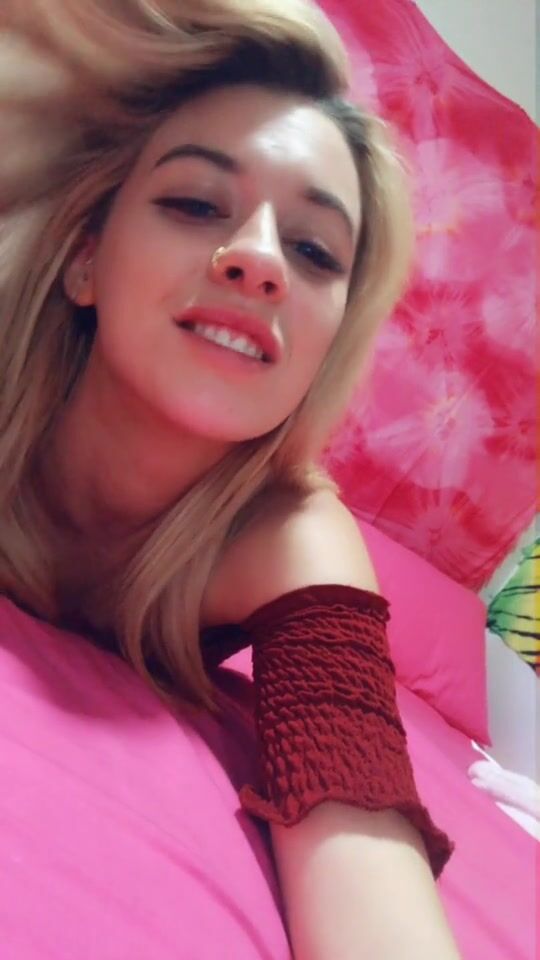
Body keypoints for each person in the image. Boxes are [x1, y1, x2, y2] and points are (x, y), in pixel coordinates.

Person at [0, 1, 462, 957]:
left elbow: (367, 855)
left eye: (314, 250)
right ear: (86, 260)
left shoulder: (288, 538)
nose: (257, 261)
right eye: (197, 203)